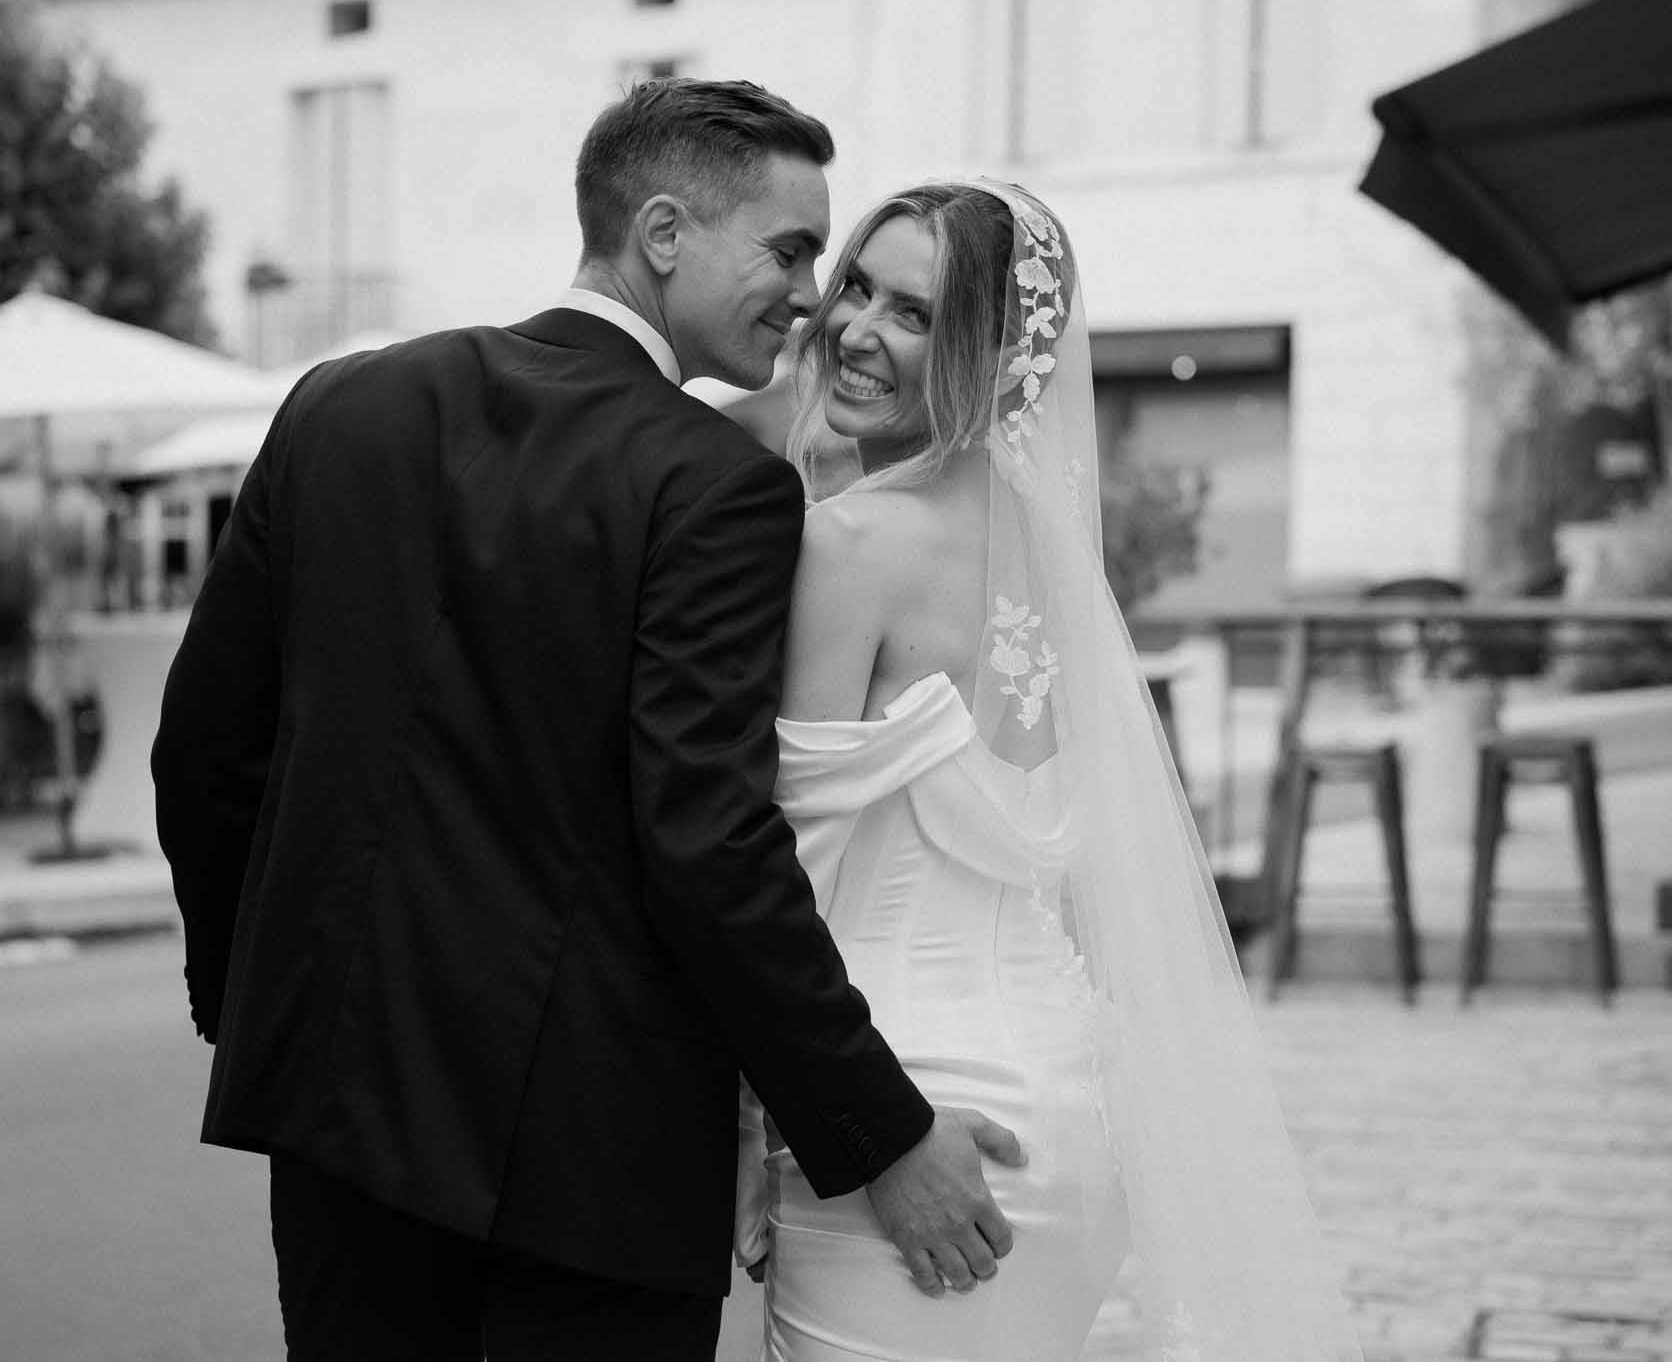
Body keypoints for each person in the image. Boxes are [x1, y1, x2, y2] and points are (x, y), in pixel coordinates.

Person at [150, 79, 1024, 1362]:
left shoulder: (339, 407)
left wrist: (262, 999)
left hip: (333, 1118)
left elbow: (203, 749)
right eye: (788, 250)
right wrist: (879, 1132)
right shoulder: (713, 483)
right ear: (662, 234)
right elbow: (706, 844)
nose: (806, 293)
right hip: (588, 1165)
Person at [734, 181, 1365, 1360]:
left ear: (984, 351)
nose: (854, 330)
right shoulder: (1055, 556)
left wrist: (763, 1131)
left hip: (904, 1112)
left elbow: (789, 872)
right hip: (1073, 1104)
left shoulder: (849, 542)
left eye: (912, 313)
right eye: (856, 288)